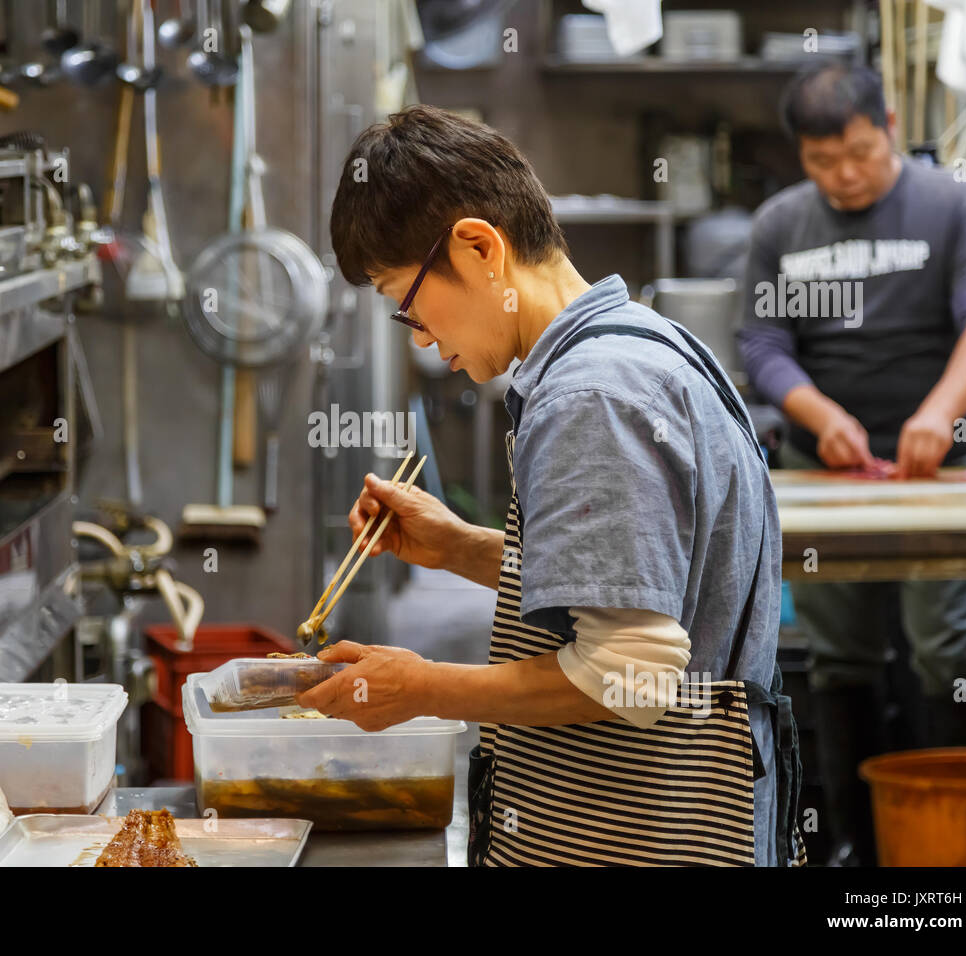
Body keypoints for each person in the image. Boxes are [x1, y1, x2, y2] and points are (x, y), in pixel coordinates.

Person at [298, 105, 803, 866]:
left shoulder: (590, 395)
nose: (426, 339)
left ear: (477, 248)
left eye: (407, 303)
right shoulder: (644, 340)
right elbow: (647, 584)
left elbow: (627, 675)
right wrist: (462, 548)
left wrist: (422, 687)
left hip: (645, 839)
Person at [738, 64, 966, 866]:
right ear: (802, 156)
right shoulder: (780, 225)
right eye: (824, 161)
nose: (846, 175)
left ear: (889, 123)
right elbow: (762, 344)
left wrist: (939, 413)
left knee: (951, 653)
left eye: (860, 152)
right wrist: (819, 418)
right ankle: (855, 845)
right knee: (840, 655)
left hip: (948, 474)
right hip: (826, 476)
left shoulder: (954, 205)